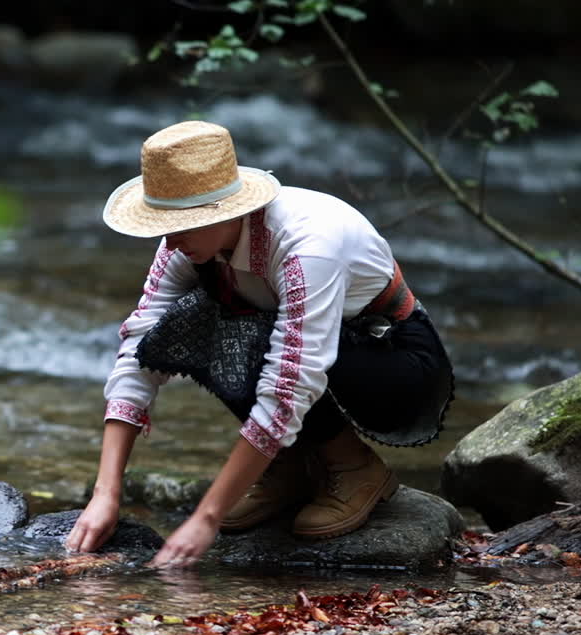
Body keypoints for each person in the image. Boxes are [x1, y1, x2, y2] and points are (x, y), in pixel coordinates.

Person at [65, 121, 453, 568]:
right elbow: (140, 346)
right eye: (162, 224)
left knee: (247, 334)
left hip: (396, 364)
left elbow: (291, 381)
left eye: (179, 225)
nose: (168, 239)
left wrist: (206, 516)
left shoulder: (307, 244)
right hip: (308, 353)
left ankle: (355, 469)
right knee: (184, 324)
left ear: (224, 210)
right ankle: (288, 469)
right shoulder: (187, 245)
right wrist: (106, 492)